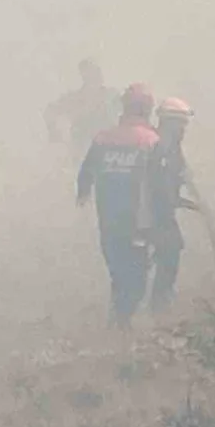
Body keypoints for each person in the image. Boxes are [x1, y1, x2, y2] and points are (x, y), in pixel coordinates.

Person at [77, 83, 160, 330]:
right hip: (138, 224)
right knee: (136, 279)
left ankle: (118, 324)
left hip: (108, 223)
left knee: (118, 274)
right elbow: (161, 185)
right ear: (147, 109)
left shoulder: (103, 138)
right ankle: (121, 324)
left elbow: (85, 174)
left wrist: (82, 194)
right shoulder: (152, 140)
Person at [141, 97, 199, 314]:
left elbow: (180, 174)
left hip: (161, 211)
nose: (184, 130)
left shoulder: (172, 146)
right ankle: (159, 300)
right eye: (181, 125)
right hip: (155, 212)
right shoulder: (160, 146)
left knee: (170, 249)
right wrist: (179, 201)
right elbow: (160, 186)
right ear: (170, 123)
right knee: (171, 248)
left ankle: (160, 296)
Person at [46, 59, 122, 171]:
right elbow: (50, 111)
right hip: (82, 155)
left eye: (97, 71)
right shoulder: (75, 99)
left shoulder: (111, 97)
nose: (97, 75)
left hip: (108, 153)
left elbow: (129, 112)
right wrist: (54, 133)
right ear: (84, 75)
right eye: (92, 72)